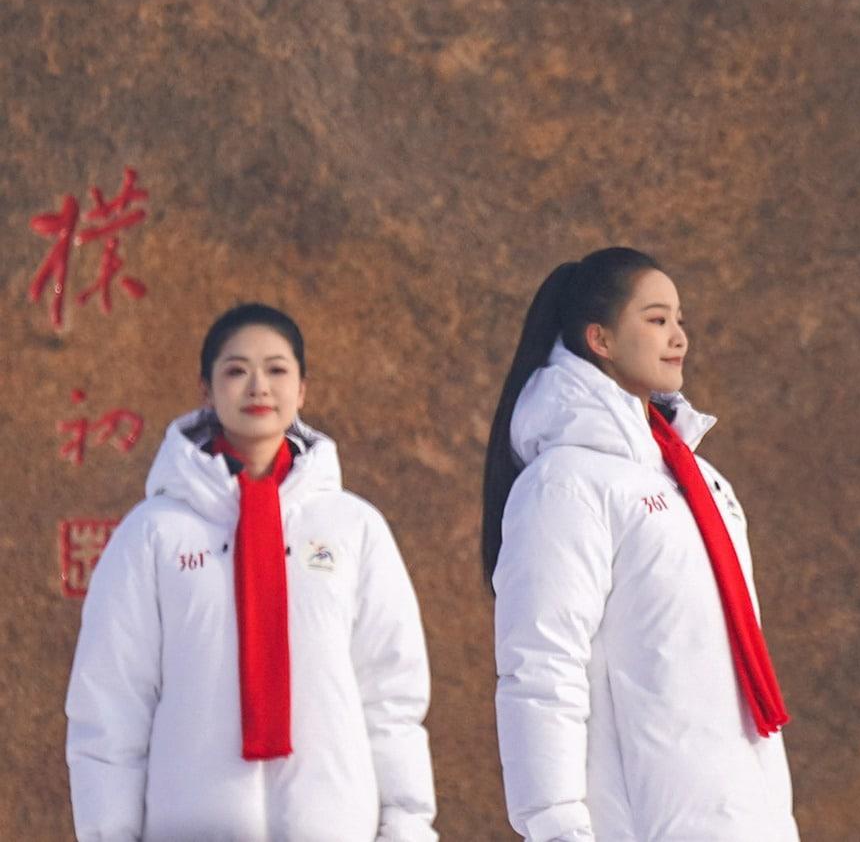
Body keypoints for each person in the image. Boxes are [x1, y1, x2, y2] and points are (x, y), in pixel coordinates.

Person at [66, 303, 437, 841]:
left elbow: (391, 696)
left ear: (303, 389)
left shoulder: (353, 527)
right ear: (207, 389)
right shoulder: (154, 534)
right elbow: (111, 706)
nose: (258, 386)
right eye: (236, 370)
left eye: (277, 369)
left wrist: (406, 828)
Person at [484, 247, 799, 841]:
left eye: (680, 319)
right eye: (656, 319)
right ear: (599, 339)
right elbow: (541, 667)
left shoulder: (702, 482)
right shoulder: (565, 484)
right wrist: (554, 828)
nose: (678, 336)